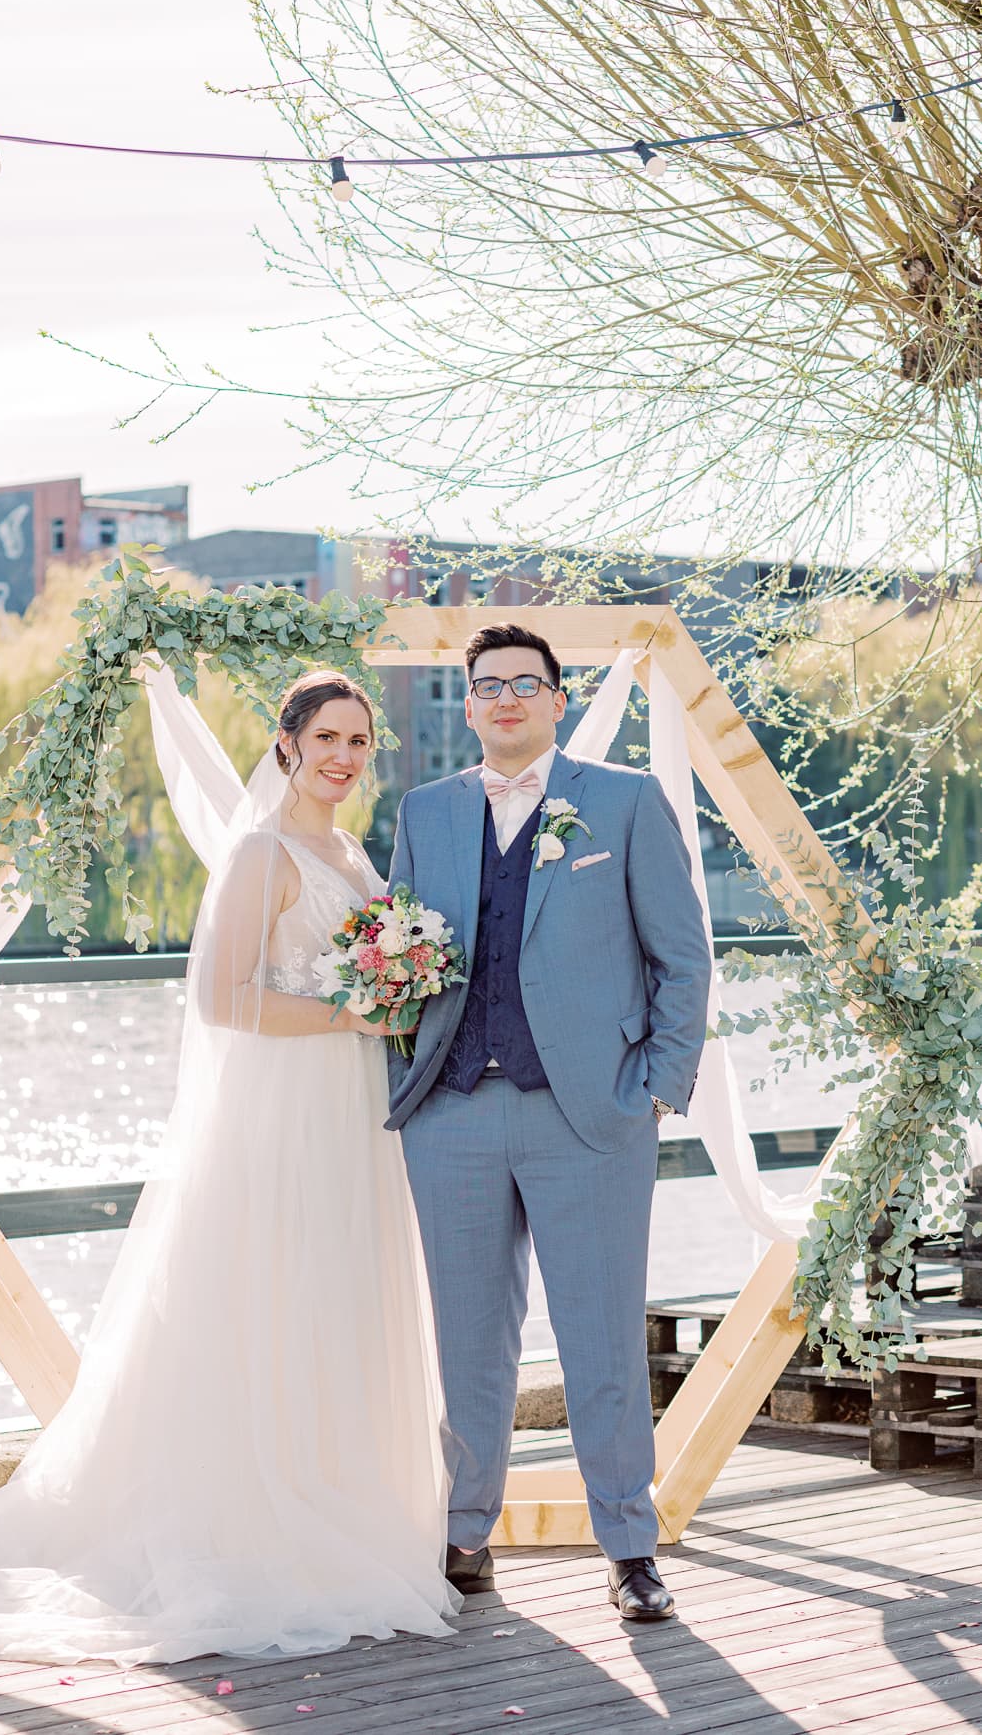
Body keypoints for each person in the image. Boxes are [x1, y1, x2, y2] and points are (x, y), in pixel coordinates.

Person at [0, 670, 459, 1665]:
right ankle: (254, 1518)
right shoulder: (261, 852)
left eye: (359, 742)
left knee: (337, 1296)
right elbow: (221, 998)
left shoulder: (351, 850)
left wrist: (395, 991)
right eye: (327, 737)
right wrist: (356, 1009)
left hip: (350, 1109)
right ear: (285, 744)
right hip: (285, 1114)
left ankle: (342, 1496)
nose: (344, 756)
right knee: (271, 1300)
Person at [388, 621, 712, 1621]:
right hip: (452, 1115)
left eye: (527, 683)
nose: (507, 700)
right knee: (469, 1343)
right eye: (488, 686)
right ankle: (463, 1533)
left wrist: (658, 1085)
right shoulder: (424, 812)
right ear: (471, 703)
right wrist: (404, 1063)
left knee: (601, 1341)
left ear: (558, 700)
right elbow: (400, 955)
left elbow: (683, 957)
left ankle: (629, 1546)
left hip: (591, 1119)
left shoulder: (622, 801)